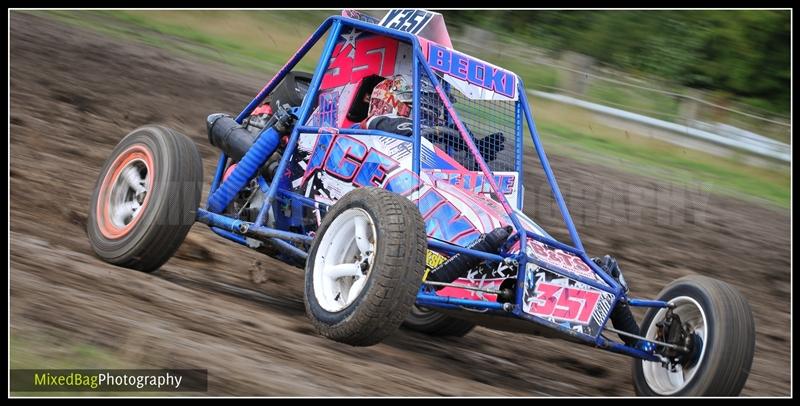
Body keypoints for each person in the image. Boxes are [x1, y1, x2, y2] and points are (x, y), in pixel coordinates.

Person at [360, 74, 505, 168]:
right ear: (392, 101)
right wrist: (442, 132)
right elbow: (407, 128)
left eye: (430, 108)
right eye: (423, 108)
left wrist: (475, 149)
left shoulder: (417, 138)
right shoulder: (374, 123)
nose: (430, 114)